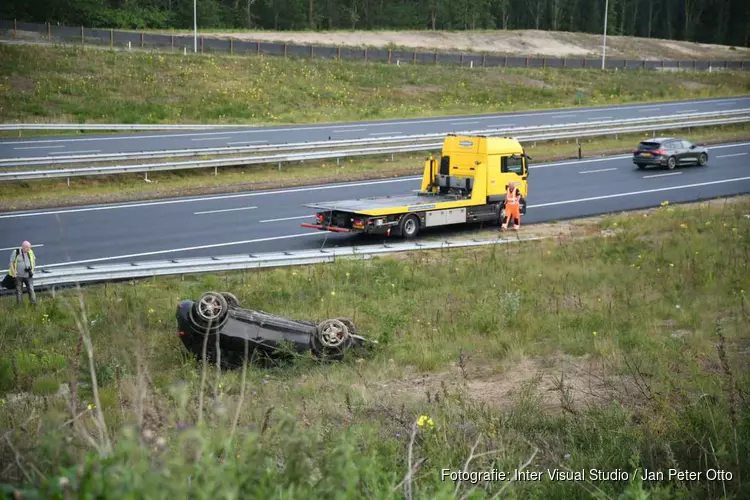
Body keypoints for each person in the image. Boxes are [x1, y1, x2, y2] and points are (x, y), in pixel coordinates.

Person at [8, 241, 36, 305]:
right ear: (23, 247)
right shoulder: (16, 252)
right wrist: (14, 272)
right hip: (18, 276)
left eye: (29, 247)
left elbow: (33, 261)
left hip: (28, 275)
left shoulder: (30, 252)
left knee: (31, 290)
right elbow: (11, 263)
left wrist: (32, 270)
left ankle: (33, 304)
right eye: (27, 248)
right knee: (19, 291)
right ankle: (19, 305)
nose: (29, 249)